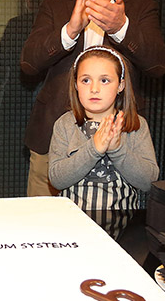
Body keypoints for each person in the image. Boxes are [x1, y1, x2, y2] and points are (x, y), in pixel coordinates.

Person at [20, 0, 165, 197]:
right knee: (45, 220)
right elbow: (29, 64)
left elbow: (158, 65)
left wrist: (121, 27)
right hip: (53, 138)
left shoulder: (141, 8)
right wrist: (70, 30)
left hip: (121, 140)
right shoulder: (55, 6)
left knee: (115, 217)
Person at [49, 46, 158, 212]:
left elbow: (149, 181)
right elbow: (57, 179)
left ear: (120, 85)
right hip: (73, 221)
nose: (94, 89)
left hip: (124, 221)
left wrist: (117, 150)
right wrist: (94, 148)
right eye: (86, 80)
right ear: (76, 85)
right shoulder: (65, 124)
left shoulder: (136, 125)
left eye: (104, 80)